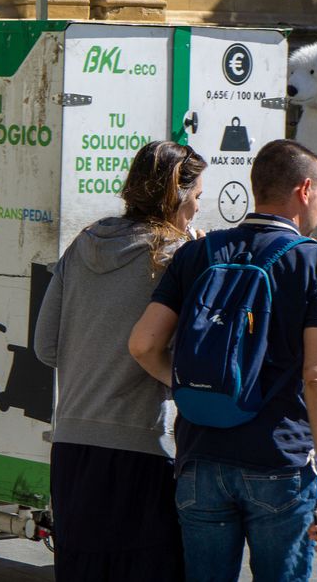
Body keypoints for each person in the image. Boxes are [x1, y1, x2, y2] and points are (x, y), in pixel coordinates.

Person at [129, 139, 317, 582]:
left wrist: (192, 385)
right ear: (305, 189)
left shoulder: (197, 253)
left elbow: (143, 345)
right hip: (278, 460)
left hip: (200, 458)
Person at [35, 140, 207, 581]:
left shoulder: (83, 243)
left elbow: (45, 347)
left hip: (72, 447)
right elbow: (192, 354)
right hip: (142, 447)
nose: (197, 209)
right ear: (176, 196)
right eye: (197, 197)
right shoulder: (176, 257)